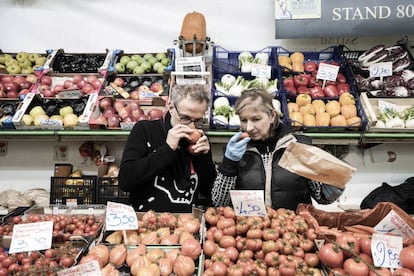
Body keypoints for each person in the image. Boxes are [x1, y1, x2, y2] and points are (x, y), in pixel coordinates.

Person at [212, 88, 344, 211]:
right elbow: (219, 202)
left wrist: (336, 178)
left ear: (272, 116)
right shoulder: (236, 151)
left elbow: (323, 197)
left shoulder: (297, 146)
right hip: (250, 230)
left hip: (293, 230)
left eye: (256, 119)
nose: (249, 127)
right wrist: (228, 164)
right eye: (243, 120)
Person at [119, 84, 217, 212]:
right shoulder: (145, 130)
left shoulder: (200, 139)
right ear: (171, 107)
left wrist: (203, 158)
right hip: (146, 221)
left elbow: (209, 192)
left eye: (198, 120)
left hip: (186, 225)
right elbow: (126, 181)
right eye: (185, 118)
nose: (192, 126)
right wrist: (168, 149)